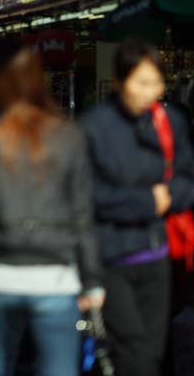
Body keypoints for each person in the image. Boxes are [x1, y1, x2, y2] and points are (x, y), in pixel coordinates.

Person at [0, 41, 104, 376]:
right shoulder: (66, 135)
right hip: (56, 277)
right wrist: (92, 280)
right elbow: (83, 214)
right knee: (59, 368)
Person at [82, 39, 194, 375]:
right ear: (119, 81)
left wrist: (171, 196)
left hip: (158, 255)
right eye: (141, 83)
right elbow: (85, 196)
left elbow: (187, 178)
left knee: (152, 351)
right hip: (110, 258)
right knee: (135, 351)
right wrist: (146, 202)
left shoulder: (168, 120)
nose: (150, 92)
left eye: (156, 83)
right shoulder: (94, 127)